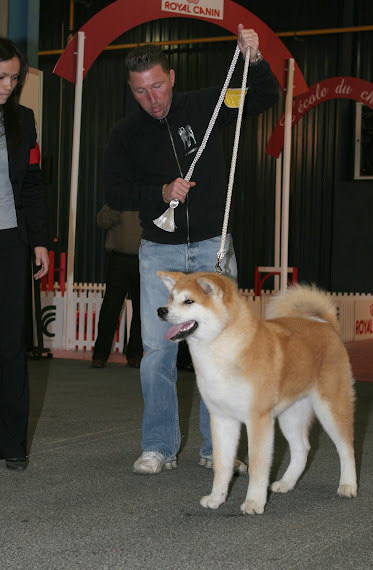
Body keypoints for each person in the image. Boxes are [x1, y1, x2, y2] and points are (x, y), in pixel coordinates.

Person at [102, 25, 279, 474]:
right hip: (158, 254)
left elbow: (262, 98)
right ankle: (158, 446)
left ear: (172, 76)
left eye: (157, 85)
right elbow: (115, 192)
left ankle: (216, 449)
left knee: (221, 350)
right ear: (131, 90)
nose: (152, 98)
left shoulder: (206, 104)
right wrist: (159, 192)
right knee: (157, 351)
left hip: (210, 248)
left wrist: (253, 59)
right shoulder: (125, 134)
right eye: (141, 91)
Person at [0, 37, 49, 470]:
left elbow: (32, 184)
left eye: (14, 78)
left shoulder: (25, 120)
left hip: (10, 242)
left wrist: (38, 241)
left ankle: (13, 444)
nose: (8, 85)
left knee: (12, 346)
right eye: (1, 77)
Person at [92, 204, 143, 369]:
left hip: (143, 260)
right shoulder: (118, 198)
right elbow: (101, 221)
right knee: (110, 308)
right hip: (118, 259)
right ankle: (100, 355)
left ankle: (135, 355)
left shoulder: (148, 195)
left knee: (141, 310)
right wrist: (116, 205)